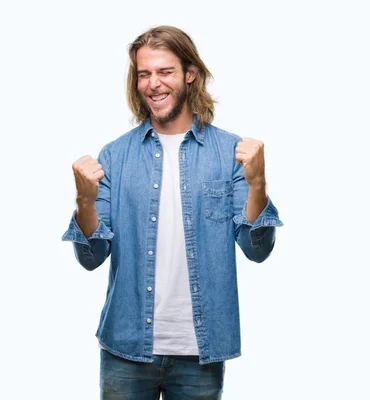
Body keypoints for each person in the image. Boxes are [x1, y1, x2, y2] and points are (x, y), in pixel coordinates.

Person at [62, 25, 283, 399]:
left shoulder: (229, 153)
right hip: (126, 346)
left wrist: (258, 184)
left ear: (189, 75)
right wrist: (84, 202)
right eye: (144, 74)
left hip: (201, 350)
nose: (153, 84)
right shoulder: (114, 156)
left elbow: (257, 250)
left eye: (165, 72)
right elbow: (91, 258)